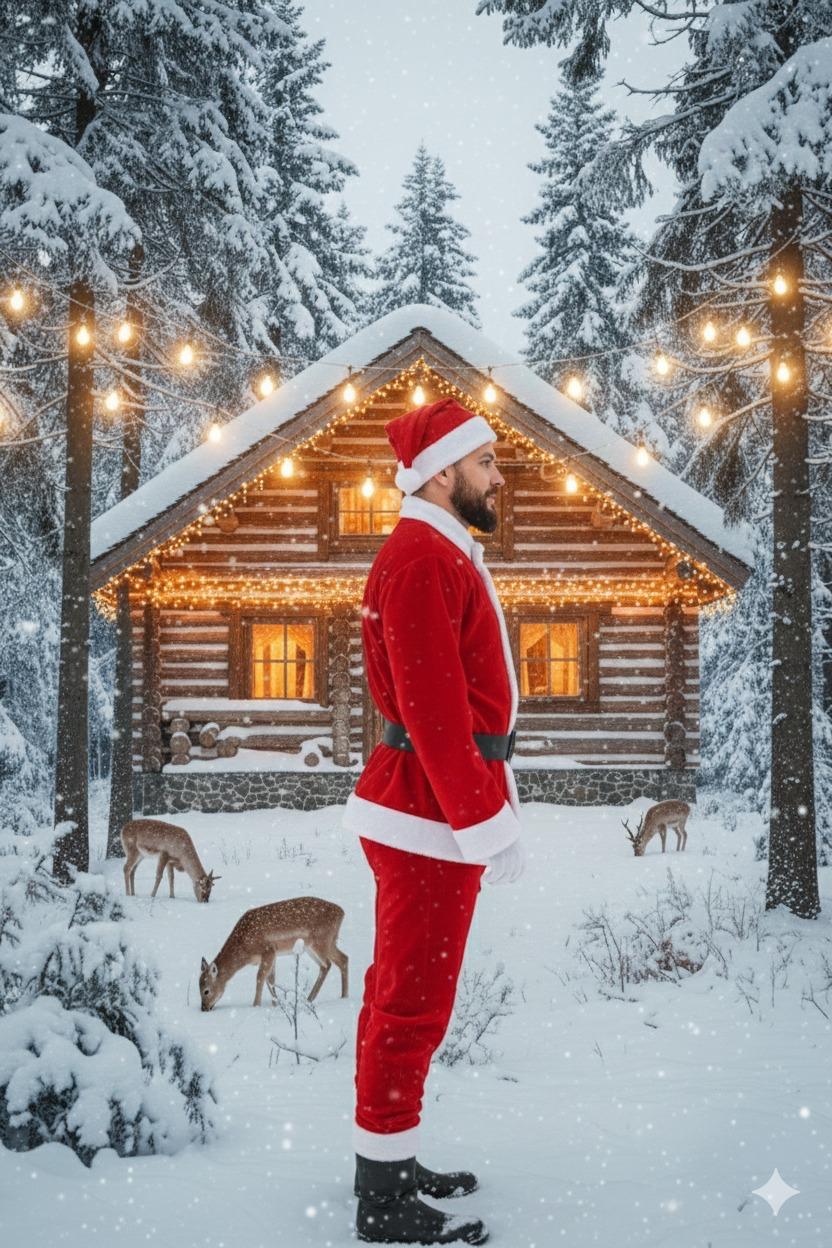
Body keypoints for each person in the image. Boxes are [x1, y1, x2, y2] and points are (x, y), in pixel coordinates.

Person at [342, 396, 525, 1245]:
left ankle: (391, 1153)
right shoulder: (423, 560)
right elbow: (436, 711)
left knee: (405, 993)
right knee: (411, 1001)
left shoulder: (434, 552)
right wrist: (484, 819)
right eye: (486, 462)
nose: (499, 475)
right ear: (444, 471)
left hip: (427, 806)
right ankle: (381, 1203)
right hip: (428, 813)